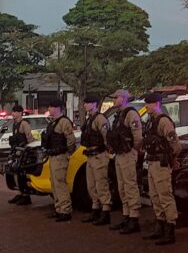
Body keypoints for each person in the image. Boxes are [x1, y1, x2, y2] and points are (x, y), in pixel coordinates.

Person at [141, 92, 181, 245]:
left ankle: (170, 228)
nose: (146, 106)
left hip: (161, 164)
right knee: (154, 195)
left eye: (148, 103)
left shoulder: (163, 121)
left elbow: (175, 144)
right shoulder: (150, 121)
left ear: (156, 103)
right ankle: (160, 225)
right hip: (152, 163)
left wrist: (173, 159)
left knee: (164, 195)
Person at [105, 89, 143, 234]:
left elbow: (137, 137)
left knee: (130, 185)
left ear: (123, 98)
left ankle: (134, 217)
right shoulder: (120, 114)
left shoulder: (130, 114)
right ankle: (126, 215)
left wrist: (134, 151)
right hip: (119, 154)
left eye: (116, 97)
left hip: (127, 154)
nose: (114, 100)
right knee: (121, 186)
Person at [80, 94, 112, 226]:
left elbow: (106, 137)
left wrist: (107, 152)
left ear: (94, 104)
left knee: (101, 185)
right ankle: (95, 209)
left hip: (99, 155)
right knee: (91, 186)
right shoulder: (90, 119)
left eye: (88, 103)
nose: (85, 105)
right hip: (91, 156)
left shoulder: (100, 119)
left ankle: (106, 211)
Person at [43, 99, 76, 222]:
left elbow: (70, 140)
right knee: (54, 183)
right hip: (53, 156)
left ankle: (65, 210)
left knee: (60, 183)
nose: (49, 109)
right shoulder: (53, 122)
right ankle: (59, 208)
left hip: (60, 156)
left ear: (58, 108)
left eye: (51, 107)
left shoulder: (64, 122)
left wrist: (67, 153)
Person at [8, 104, 35, 206]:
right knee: (16, 174)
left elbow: (29, 138)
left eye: (15, 112)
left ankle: (26, 196)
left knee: (22, 174)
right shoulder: (15, 124)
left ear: (20, 113)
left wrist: (28, 150)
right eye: (13, 112)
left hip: (23, 152)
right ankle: (20, 193)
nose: (13, 114)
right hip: (16, 151)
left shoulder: (24, 124)